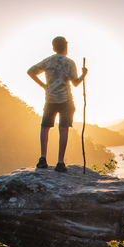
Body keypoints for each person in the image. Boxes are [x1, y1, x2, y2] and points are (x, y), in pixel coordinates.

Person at [28, 36, 87, 173]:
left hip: (50, 99)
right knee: (63, 129)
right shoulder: (69, 63)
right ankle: (60, 162)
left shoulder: (48, 61)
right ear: (66, 48)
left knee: (45, 127)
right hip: (66, 100)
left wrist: (43, 85)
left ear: (54, 48)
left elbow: (31, 71)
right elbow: (76, 83)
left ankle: (43, 158)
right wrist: (84, 74)